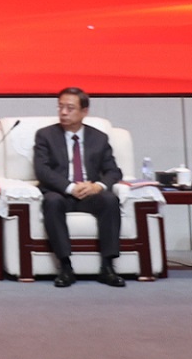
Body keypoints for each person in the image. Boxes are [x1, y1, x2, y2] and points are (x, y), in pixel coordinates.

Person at [32, 86, 125, 287]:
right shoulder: (45, 135)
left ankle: (108, 267)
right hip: (60, 193)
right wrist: (69, 187)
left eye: (70, 108)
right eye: (60, 107)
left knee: (110, 200)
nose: (63, 112)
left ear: (84, 111)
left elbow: (113, 171)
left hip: (89, 194)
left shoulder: (99, 138)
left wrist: (98, 186)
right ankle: (65, 267)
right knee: (52, 202)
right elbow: (42, 170)